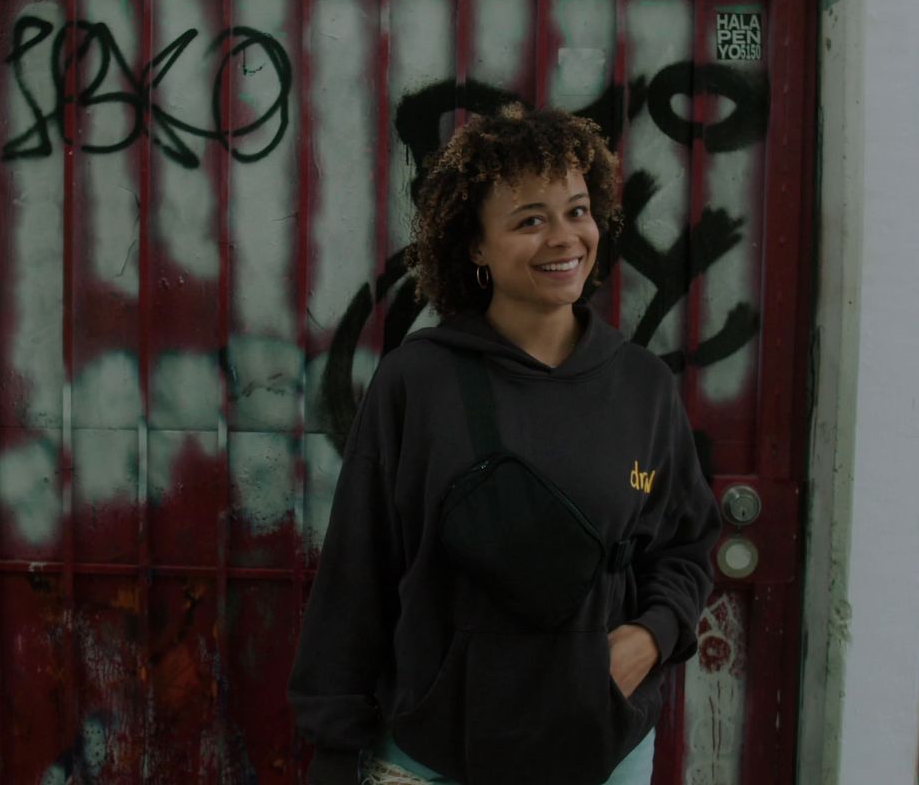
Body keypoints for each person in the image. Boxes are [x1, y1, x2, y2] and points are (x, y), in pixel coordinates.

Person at [288, 105, 721, 785]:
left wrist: (654, 633)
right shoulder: (419, 382)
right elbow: (357, 573)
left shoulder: (642, 387)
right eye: (529, 220)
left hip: (601, 747)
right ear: (475, 246)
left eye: (577, 211)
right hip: (436, 753)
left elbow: (684, 540)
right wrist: (335, 750)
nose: (565, 238)